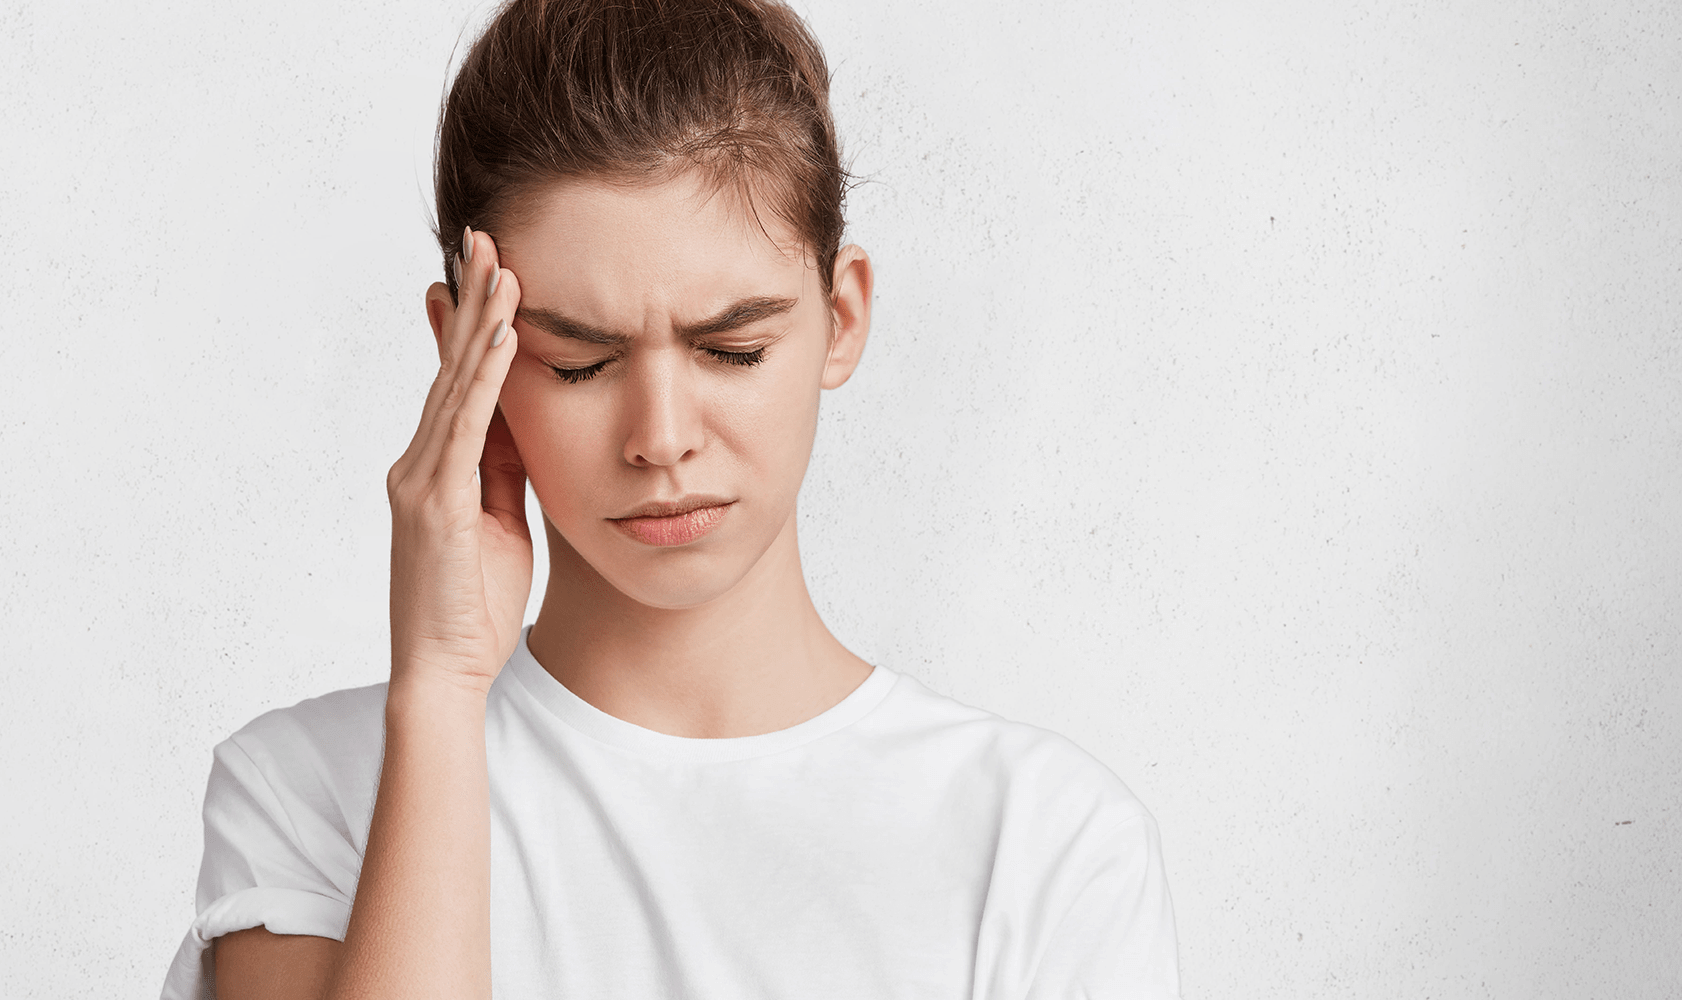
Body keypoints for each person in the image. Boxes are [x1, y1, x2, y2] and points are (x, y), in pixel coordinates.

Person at [161, 0, 1181, 996]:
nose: (659, 439)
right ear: (463, 350)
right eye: (577, 362)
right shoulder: (309, 792)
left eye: (730, 348)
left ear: (841, 315)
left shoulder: (1045, 844)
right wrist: (435, 690)